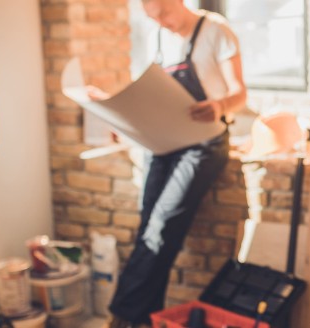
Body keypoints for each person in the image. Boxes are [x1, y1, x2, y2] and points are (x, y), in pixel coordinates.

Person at [107, 0, 247, 326]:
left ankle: (124, 318)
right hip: (162, 143)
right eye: (152, 18)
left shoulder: (216, 31)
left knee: (162, 227)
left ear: (178, 2)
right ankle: (146, 317)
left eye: (164, 14)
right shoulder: (157, 35)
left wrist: (219, 106)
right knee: (148, 232)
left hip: (204, 144)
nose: (162, 23)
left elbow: (240, 93)